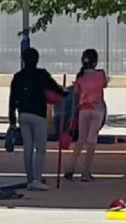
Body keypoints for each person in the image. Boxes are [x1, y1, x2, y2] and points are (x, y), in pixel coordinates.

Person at [9, 47, 66, 191]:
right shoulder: (42, 74)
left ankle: (30, 179)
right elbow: (56, 89)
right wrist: (65, 92)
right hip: (38, 115)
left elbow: (12, 100)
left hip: (23, 114)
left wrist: (12, 121)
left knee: (27, 148)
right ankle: (36, 178)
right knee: (40, 148)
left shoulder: (18, 76)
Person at [66, 49, 109, 182]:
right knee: (91, 141)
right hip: (98, 109)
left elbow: (76, 92)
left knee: (80, 140)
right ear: (95, 62)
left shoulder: (80, 76)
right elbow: (105, 84)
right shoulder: (100, 74)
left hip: (84, 109)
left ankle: (70, 169)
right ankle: (86, 172)